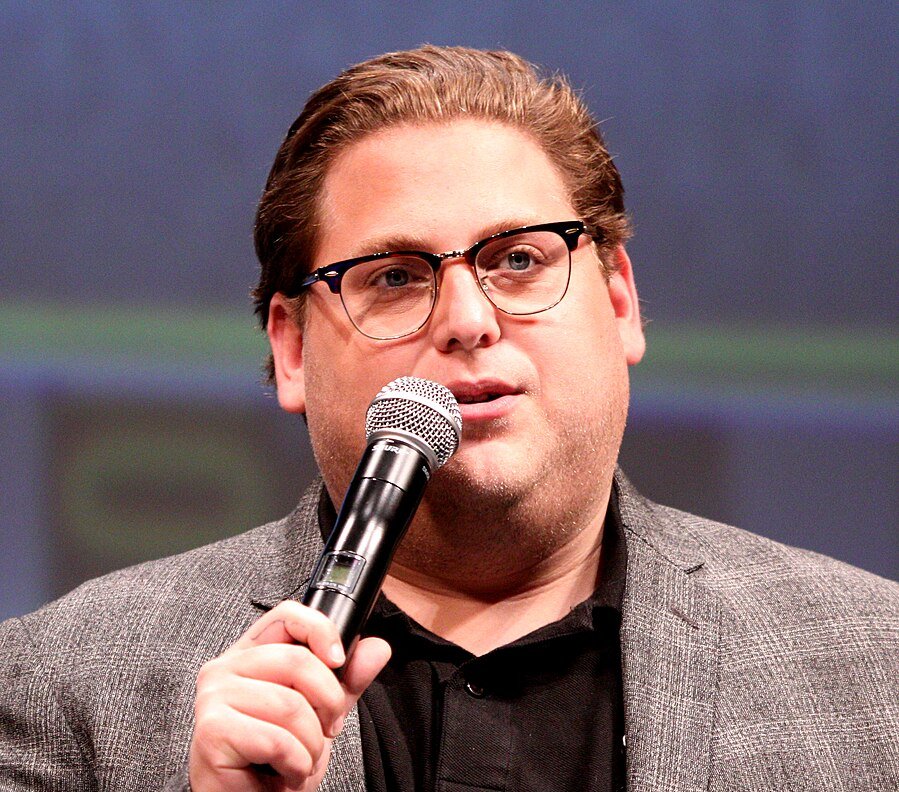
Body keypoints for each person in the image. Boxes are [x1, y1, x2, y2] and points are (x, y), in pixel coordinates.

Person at [0, 45, 896, 792]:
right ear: (292, 350)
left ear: (620, 300)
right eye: (394, 276)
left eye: (516, 258)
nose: (466, 319)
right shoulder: (62, 685)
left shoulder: (876, 670)